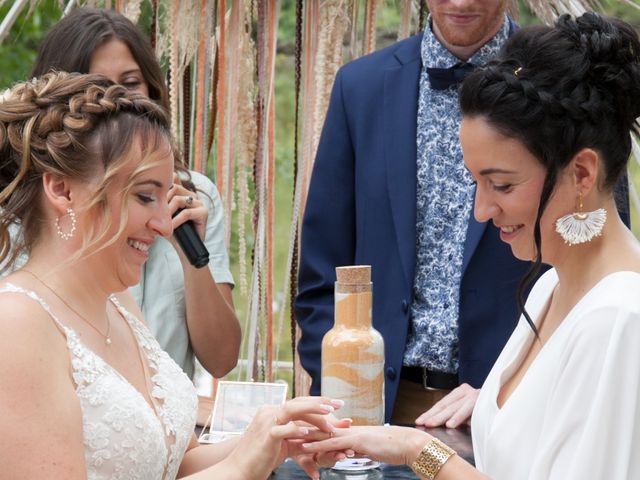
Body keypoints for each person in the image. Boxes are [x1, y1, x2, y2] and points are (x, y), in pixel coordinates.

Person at [302, 12, 640, 479]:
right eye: (475, 183)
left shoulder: (618, 321)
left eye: (501, 185)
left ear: (582, 173)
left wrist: (416, 450)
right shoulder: (547, 290)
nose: (481, 210)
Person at [0, 72, 345, 479]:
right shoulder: (16, 326)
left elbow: (174, 464)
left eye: (165, 199)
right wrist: (240, 468)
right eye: (145, 196)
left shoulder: (118, 303)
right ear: (62, 190)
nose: (165, 224)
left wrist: (267, 437)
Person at [296, 0, 530, 425]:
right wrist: (338, 387)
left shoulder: (555, 83)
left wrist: (523, 392)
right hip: (381, 406)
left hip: (512, 410)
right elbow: (323, 266)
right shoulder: (360, 87)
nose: (460, 2)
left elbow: (591, 251)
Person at [26, 7, 240, 380]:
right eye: (97, 86)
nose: (118, 102)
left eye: (130, 83)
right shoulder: (27, 204)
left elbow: (222, 359)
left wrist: (194, 259)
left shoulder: (194, 196)